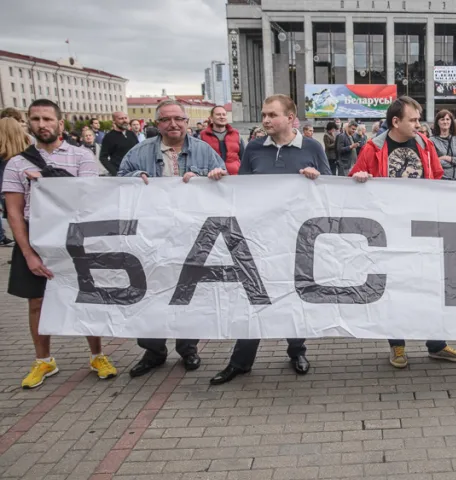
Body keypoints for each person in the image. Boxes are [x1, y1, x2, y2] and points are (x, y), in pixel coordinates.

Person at [211, 95, 330, 385]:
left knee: (293, 296)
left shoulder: (313, 147)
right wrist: (219, 180)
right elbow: (244, 190)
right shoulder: (253, 148)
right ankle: (241, 361)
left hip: (297, 239)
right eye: (264, 115)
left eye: (272, 115)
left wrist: (316, 179)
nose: (265, 120)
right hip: (260, 238)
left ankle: (296, 351)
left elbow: (330, 188)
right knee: (254, 298)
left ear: (290, 118)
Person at [3, 99, 118, 389]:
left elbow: (86, 197)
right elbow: (14, 213)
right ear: (28, 123)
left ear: (60, 124)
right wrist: (28, 253)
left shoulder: (82, 156)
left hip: (74, 235)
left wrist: (47, 180)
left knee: (87, 296)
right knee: (37, 301)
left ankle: (97, 354)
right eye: (36, 119)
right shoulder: (16, 164)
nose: (42, 125)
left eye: (47, 119)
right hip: (36, 236)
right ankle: (43, 360)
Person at [349, 96, 456, 368]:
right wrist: (360, 179)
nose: (419, 124)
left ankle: (436, 344)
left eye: (419, 119)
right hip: (389, 231)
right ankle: (398, 346)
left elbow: (436, 176)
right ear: (395, 122)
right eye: (413, 120)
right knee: (395, 288)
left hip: (423, 228)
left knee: (429, 286)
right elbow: (353, 181)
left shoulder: (425, 145)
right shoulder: (373, 148)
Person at [118, 99, 228, 378]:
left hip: (192, 235)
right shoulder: (138, 153)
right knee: (151, 290)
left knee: (188, 292)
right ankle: (153, 349)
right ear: (158, 124)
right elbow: (118, 182)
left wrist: (208, 177)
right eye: (166, 119)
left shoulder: (205, 151)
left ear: (187, 121)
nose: (173, 124)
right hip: (152, 236)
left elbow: (223, 186)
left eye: (179, 118)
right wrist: (134, 177)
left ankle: (188, 346)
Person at [0, 117, 31, 248]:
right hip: (28, 195)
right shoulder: (27, 154)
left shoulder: (4, 157)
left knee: (16, 225)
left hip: (7, 194)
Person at [198, 105, 244, 175]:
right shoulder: (202, 136)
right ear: (211, 118)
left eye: (224, 114)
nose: (222, 117)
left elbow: (244, 157)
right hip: (212, 177)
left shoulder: (236, 134)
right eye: (218, 114)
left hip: (235, 177)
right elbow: (198, 159)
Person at [432, 110, 456, 181]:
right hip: (441, 179)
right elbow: (434, 162)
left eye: (447, 119)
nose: (445, 122)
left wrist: (446, 158)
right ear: (437, 122)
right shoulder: (432, 140)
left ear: (451, 121)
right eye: (442, 119)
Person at [99, 111, 138, 176]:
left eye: (125, 118)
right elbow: (103, 157)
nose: (124, 120)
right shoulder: (109, 137)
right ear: (114, 121)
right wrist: (114, 172)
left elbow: (138, 151)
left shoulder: (131, 134)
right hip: (119, 173)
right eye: (121, 119)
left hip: (134, 171)